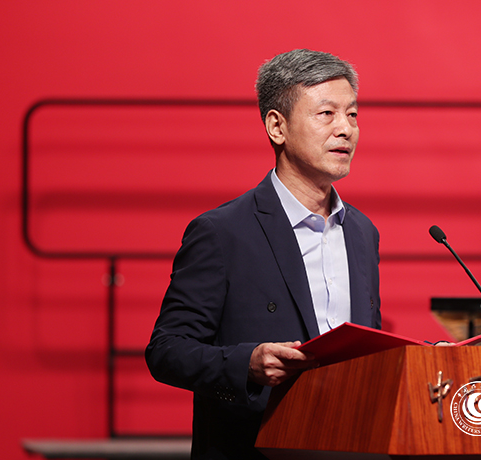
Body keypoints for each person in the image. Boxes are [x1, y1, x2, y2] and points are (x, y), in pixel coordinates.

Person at [145, 49, 381, 460]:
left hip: (350, 446)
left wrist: (418, 359)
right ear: (277, 126)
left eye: (353, 114)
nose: (345, 129)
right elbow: (166, 351)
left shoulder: (362, 232)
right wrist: (247, 364)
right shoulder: (222, 232)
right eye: (327, 114)